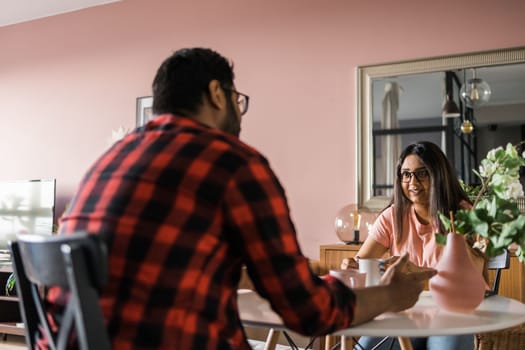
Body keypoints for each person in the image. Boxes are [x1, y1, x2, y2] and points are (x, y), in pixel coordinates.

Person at [55, 48, 435, 350]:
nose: (239, 111)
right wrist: (390, 295)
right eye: (237, 98)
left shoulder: (109, 161)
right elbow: (309, 312)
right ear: (218, 94)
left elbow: (155, 264)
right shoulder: (234, 163)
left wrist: (258, 274)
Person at [342, 141, 483, 350]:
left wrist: (418, 273)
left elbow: (475, 276)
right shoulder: (392, 216)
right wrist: (353, 267)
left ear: (438, 175)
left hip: (452, 315)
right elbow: (363, 262)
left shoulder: (462, 215)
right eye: (406, 174)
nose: (412, 181)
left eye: (422, 173)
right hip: (404, 313)